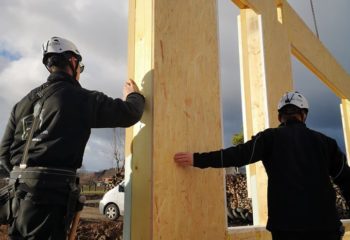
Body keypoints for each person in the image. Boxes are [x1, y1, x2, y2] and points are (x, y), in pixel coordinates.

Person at [0, 36, 145, 239]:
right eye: (81, 67)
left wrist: (25, 179)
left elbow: (3, 156)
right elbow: (130, 113)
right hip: (51, 200)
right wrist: (134, 95)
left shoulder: (22, 104)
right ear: (73, 62)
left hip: (17, 200)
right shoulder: (81, 99)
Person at [174, 91, 350, 240]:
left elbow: (236, 155)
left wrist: (196, 159)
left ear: (279, 116)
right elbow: (346, 179)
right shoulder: (327, 143)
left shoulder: (269, 138)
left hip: (286, 228)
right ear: (304, 114)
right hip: (325, 226)